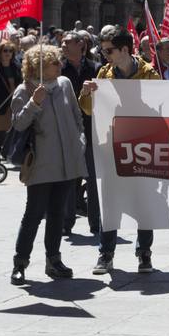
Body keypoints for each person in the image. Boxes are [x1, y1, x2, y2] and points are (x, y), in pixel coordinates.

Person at [10, 44, 95, 285]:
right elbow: (18, 124)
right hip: (41, 163)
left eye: (59, 61)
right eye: (54, 62)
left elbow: (77, 116)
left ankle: (54, 260)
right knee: (33, 214)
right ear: (38, 67)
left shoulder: (65, 84)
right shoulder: (24, 90)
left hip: (67, 161)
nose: (60, 65)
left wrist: (79, 140)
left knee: (58, 213)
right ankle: (20, 263)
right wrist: (34, 103)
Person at [84, 27, 158, 274]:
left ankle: (144, 253)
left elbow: (162, 107)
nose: (104, 55)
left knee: (144, 202)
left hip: (142, 146)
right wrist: (86, 93)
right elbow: (88, 109)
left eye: (109, 51)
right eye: (103, 51)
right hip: (112, 146)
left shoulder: (150, 74)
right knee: (110, 202)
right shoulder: (103, 74)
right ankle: (106, 254)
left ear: (125, 49)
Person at [60, 30, 101, 237]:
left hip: (92, 130)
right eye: (62, 43)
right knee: (69, 179)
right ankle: (66, 222)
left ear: (81, 45)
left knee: (93, 180)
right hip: (68, 132)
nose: (63, 46)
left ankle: (96, 222)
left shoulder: (96, 69)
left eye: (67, 43)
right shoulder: (58, 70)